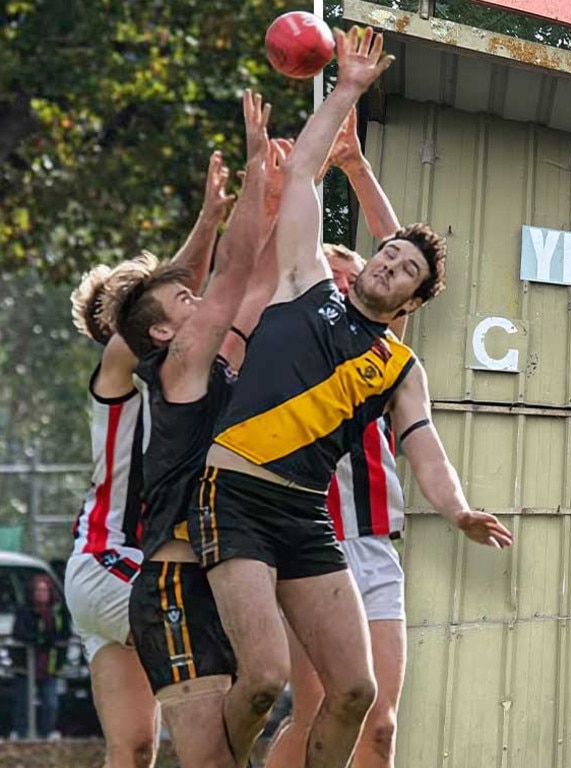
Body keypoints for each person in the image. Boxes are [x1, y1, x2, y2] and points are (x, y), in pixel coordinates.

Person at [196, 26, 512, 768]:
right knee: (268, 682)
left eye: (405, 268)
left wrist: (458, 509)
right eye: (387, 253)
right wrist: (346, 89)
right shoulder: (306, 282)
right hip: (235, 493)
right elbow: (304, 173)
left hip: (308, 516)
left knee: (357, 698)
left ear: (415, 296)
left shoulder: (395, 365)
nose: (389, 264)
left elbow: (426, 450)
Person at [101, 89, 278, 768]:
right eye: (184, 298)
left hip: (218, 579)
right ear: (162, 331)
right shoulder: (175, 365)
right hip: (173, 583)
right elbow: (232, 275)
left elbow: (254, 281)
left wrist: (285, 194)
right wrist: (257, 161)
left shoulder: (208, 362)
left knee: (243, 730)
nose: (198, 300)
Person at [63, 150, 232, 768]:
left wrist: (212, 218)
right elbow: (156, 302)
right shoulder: (118, 368)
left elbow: (168, 298)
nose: (185, 296)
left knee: (133, 749)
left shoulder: (175, 379)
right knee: (211, 672)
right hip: (110, 562)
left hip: (125, 571)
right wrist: (209, 220)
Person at [266, 112, 410, 768]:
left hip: (373, 544)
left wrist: (356, 167)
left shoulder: (383, 348)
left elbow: (406, 251)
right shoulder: (296, 342)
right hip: (307, 539)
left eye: (356, 275)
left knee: (379, 724)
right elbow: (290, 250)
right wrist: (291, 180)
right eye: (336, 280)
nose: (351, 284)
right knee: (316, 705)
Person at [11, 574, 70, 740]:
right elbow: (20, 633)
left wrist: (50, 641)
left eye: (44, 590)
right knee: (23, 702)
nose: (41, 594)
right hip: (25, 664)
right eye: (38, 590)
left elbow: (64, 633)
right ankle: (21, 732)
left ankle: (48, 732)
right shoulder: (24, 611)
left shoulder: (58, 612)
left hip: (49, 665)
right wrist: (38, 639)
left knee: (50, 702)